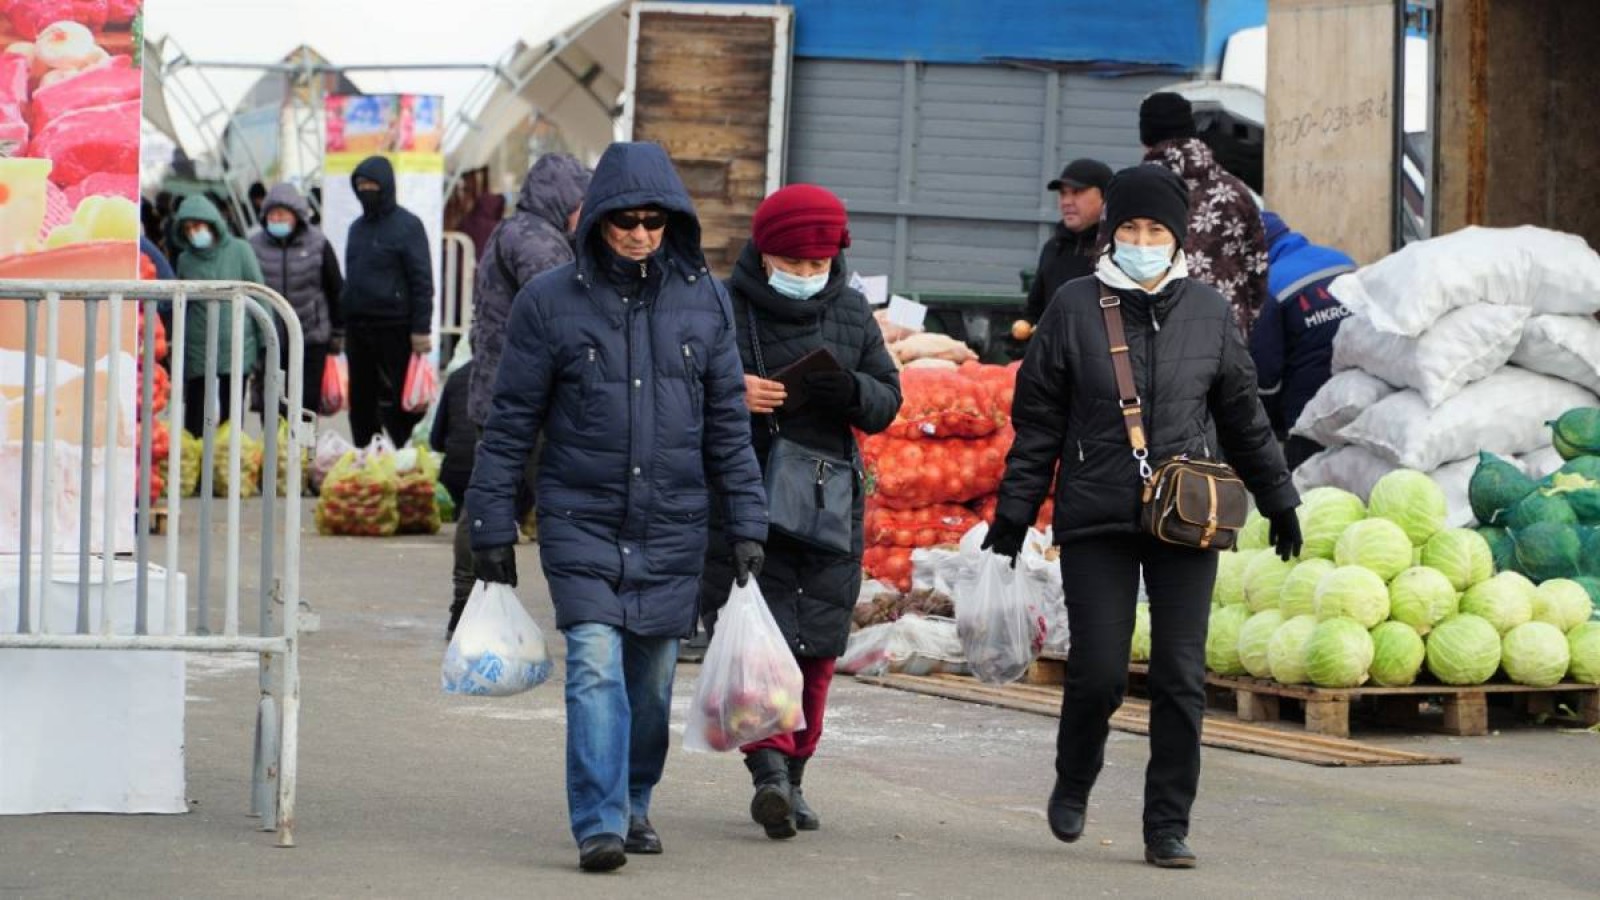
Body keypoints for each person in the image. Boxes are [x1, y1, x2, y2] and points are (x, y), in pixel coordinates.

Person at [985, 165, 1300, 870]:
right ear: (1112, 234)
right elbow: (1038, 423)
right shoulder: (1072, 306)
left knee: (1181, 676)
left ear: (1177, 237)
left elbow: (1245, 417)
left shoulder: (1210, 312)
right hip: (1097, 513)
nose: (1143, 240)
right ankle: (1074, 777)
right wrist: (1012, 514)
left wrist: (1280, 500)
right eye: (1130, 229)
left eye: (1156, 229)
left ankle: (1167, 825)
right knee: (1097, 669)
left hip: (1185, 516)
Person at [465, 142, 768, 873]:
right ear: (596, 219)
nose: (638, 233)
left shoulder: (705, 300)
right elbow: (511, 422)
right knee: (596, 665)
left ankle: (635, 801)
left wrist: (749, 522)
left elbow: (729, 420)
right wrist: (491, 525)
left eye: (652, 221)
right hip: (581, 516)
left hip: (672, 522)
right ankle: (598, 821)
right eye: (624, 220)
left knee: (652, 678)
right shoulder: (550, 303)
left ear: (673, 223)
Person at [699, 184, 902, 840]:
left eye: (817, 267)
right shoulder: (722, 308)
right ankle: (768, 774)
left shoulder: (849, 309)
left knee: (817, 647)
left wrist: (851, 390)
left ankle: (798, 774)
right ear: (764, 255)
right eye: (793, 266)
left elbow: (887, 397)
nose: (806, 278)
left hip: (826, 499)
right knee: (760, 640)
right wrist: (732, 392)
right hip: (747, 493)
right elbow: (685, 384)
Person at [448, 153, 590, 636]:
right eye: (580, 202)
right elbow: (565, 305)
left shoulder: (529, 233)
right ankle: (469, 602)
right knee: (501, 497)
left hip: (506, 386)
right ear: (561, 199)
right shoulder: (534, 241)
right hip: (522, 393)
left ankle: (467, 604)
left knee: (499, 495)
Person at [1139, 92, 1269, 336]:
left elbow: (1105, 266)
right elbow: (1258, 270)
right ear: (1191, 131)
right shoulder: (1234, 191)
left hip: (1152, 342)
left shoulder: (1130, 192)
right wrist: (1243, 324)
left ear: (1146, 139)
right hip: (1221, 339)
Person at [1251, 212, 1358, 469]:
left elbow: (1266, 376)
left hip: (1308, 417)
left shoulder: (1270, 286)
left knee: (1310, 497)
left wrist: (1272, 425)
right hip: (1361, 398)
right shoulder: (1344, 262)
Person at [341, 155, 435, 448]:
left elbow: (422, 280)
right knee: (361, 402)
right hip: (359, 329)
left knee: (399, 402)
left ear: (387, 186)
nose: (366, 190)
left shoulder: (408, 226)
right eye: (361, 185)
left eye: (372, 184)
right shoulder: (356, 228)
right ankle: (366, 457)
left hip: (397, 327)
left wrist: (421, 328)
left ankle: (407, 458)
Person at [171, 194, 265, 437]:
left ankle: (226, 467)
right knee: (195, 414)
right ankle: (197, 468)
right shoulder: (185, 260)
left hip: (237, 345)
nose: (194, 232)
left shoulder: (240, 250)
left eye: (198, 225)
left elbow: (259, 293)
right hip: (198, 346)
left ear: (212, 223)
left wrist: (265, 341)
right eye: (188, 228)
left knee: (232, 416)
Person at [249, 182, 345, 418]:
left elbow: (336, 290)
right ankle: (273, 453)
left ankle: (302, 453)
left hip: (310, 339)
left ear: (297, 215)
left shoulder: (318, 244)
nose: (277, 219)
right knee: (272, 404)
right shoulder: (254, 246)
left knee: (304, 404)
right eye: (272, 214)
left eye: (282, 213)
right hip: (269, 339)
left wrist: (338, 334)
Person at [1024, 158, 1113, 326]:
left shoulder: (1118, 250)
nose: (1066, 202)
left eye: (1077, 192)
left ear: (1105, 196)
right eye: (1063, 193)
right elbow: (1034, 312)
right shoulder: (1053, 248)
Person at [429, 358, 475, 522]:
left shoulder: (456, 377)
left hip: (454, 472)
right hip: (493, 474)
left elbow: (435, 439)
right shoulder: (514, 375)